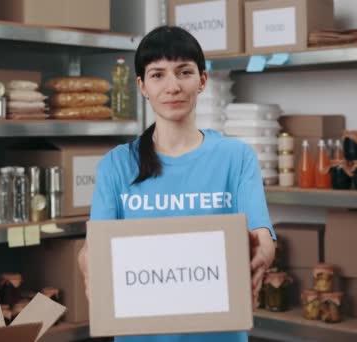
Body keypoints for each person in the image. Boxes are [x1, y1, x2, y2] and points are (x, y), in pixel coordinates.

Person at [78, 25, 276, 342]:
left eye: (184, 72)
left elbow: (262, 234)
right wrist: (89, 265)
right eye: (158, 75)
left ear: (203, 80)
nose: (172, 87)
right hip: (140, 334)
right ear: (141, 86)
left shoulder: (236, 157)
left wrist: (262, 255)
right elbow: (96, 246)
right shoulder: (116, 164)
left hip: (219, 333)